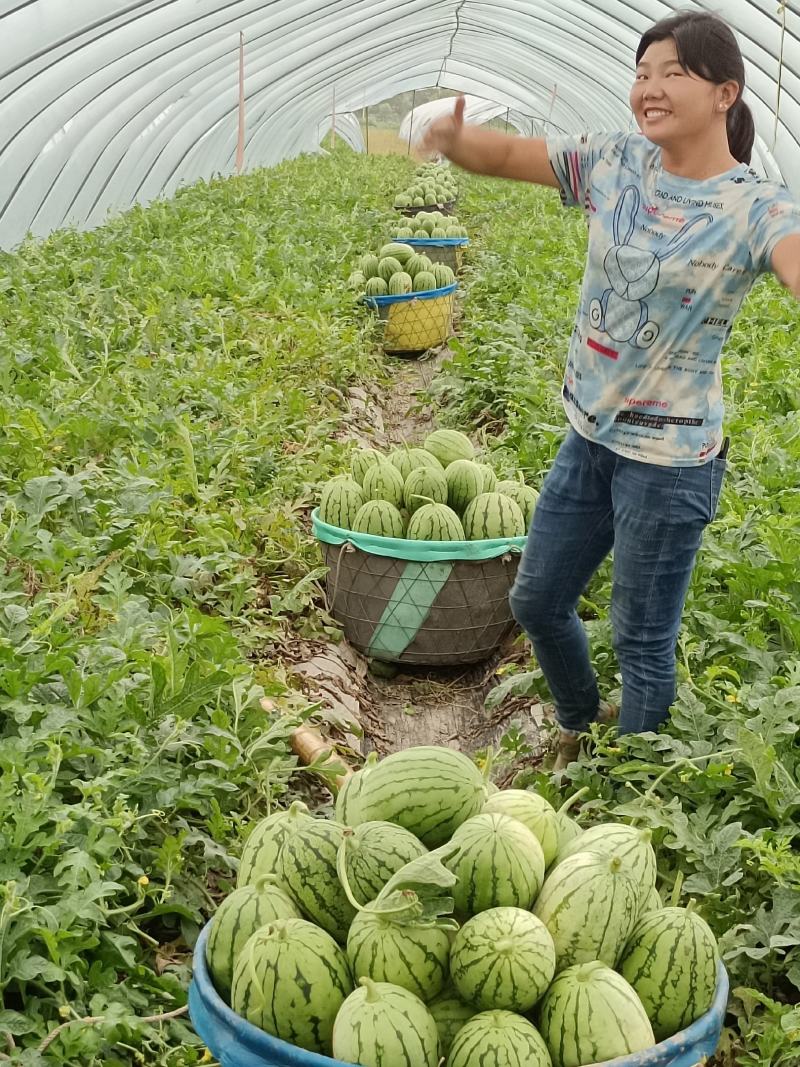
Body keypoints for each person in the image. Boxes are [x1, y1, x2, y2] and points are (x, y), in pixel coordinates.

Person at [421, 11, 800, 768]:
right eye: (642, 72)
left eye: (672, 73)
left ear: (726, 92)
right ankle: (581, 722)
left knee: (641, 638)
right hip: (589, 437)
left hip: (671, 461)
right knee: (535, 599)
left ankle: (630, 786)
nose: (649, 88)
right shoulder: (614, 161)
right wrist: (458, 141)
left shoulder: (758, 206)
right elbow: (509, 155)